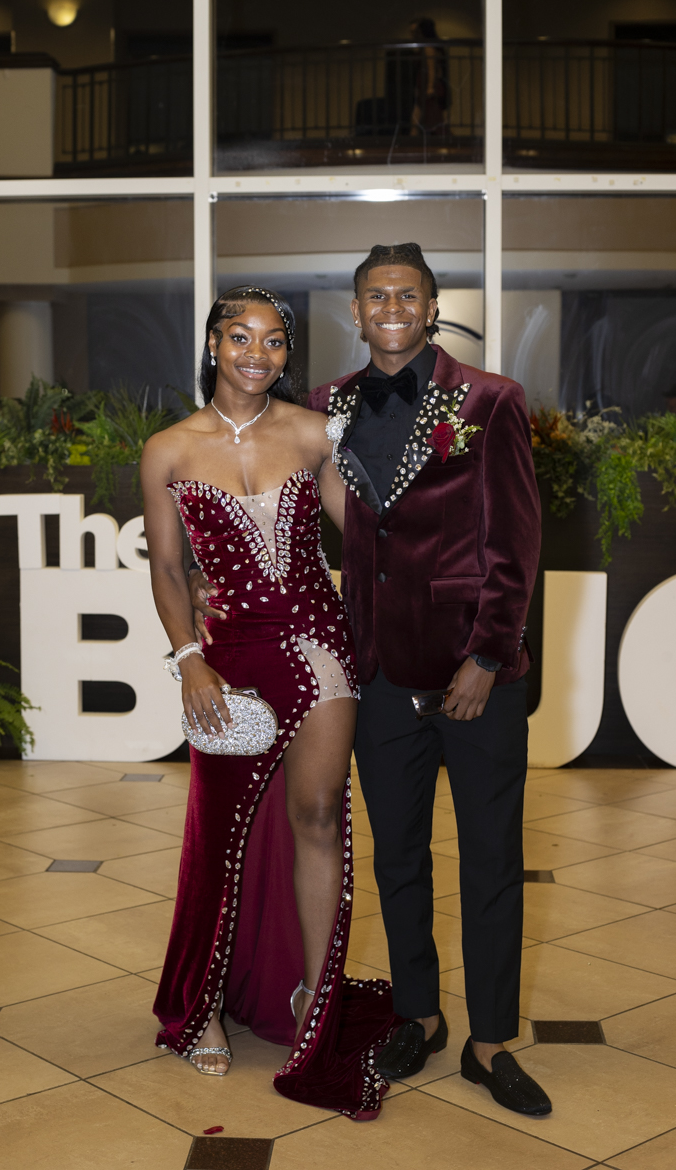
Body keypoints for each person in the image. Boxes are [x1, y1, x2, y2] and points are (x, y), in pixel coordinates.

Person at [191, 246, 552, 1118]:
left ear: (431, 307)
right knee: (397, 858)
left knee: (492, 861)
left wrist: (487, 656)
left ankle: (490, 1041)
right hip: (377, 673)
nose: (392, 307)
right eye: (376, 296)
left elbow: (517, 544)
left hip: (474, 674)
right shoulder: (325, 406)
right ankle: (420, 1016)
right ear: (355, 313)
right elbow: (254, 478)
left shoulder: (491, 400)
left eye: (407, 295)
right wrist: (207, 574)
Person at [141, 285, 394, 1121]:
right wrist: (190, 660)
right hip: (226, 658)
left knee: (319, 815)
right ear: (213, 344)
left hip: (320, 645)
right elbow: (167, 570)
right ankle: (202, 1003)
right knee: (221, 832)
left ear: (288, 353)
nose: (258, 352)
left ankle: (315, 995)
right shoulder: (168, 449)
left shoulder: (318, 433)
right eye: (241, 336)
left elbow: (368, 540)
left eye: (275, 339)